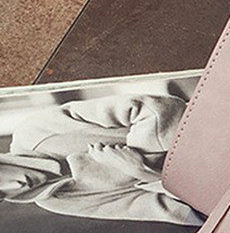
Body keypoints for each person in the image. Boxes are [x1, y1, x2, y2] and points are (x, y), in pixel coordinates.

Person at [0, 94, 197, 225]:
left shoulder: (34, 131)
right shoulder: (55, 202)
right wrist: (142, 172)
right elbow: (184, 212)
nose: (16, 186)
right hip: (207, 181)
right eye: (1, 194)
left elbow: (152, 108)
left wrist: (140, 153)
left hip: (203, 127)